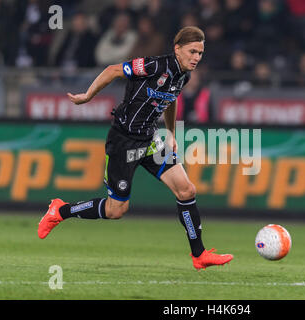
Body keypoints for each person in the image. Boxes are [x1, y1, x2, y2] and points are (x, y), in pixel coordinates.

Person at [37, 26, 233, 270]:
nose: (196, 58)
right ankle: (60, 211)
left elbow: (170, 100)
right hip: (124, 140)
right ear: (177, 49)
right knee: (116, 210)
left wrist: (171, 133)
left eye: (200, 53)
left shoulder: (184, 76)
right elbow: (113, 70)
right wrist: (88, 95)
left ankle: (199, 255)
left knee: (186, 190)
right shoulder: (155, 65)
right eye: (192, 51)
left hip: (150, 139)